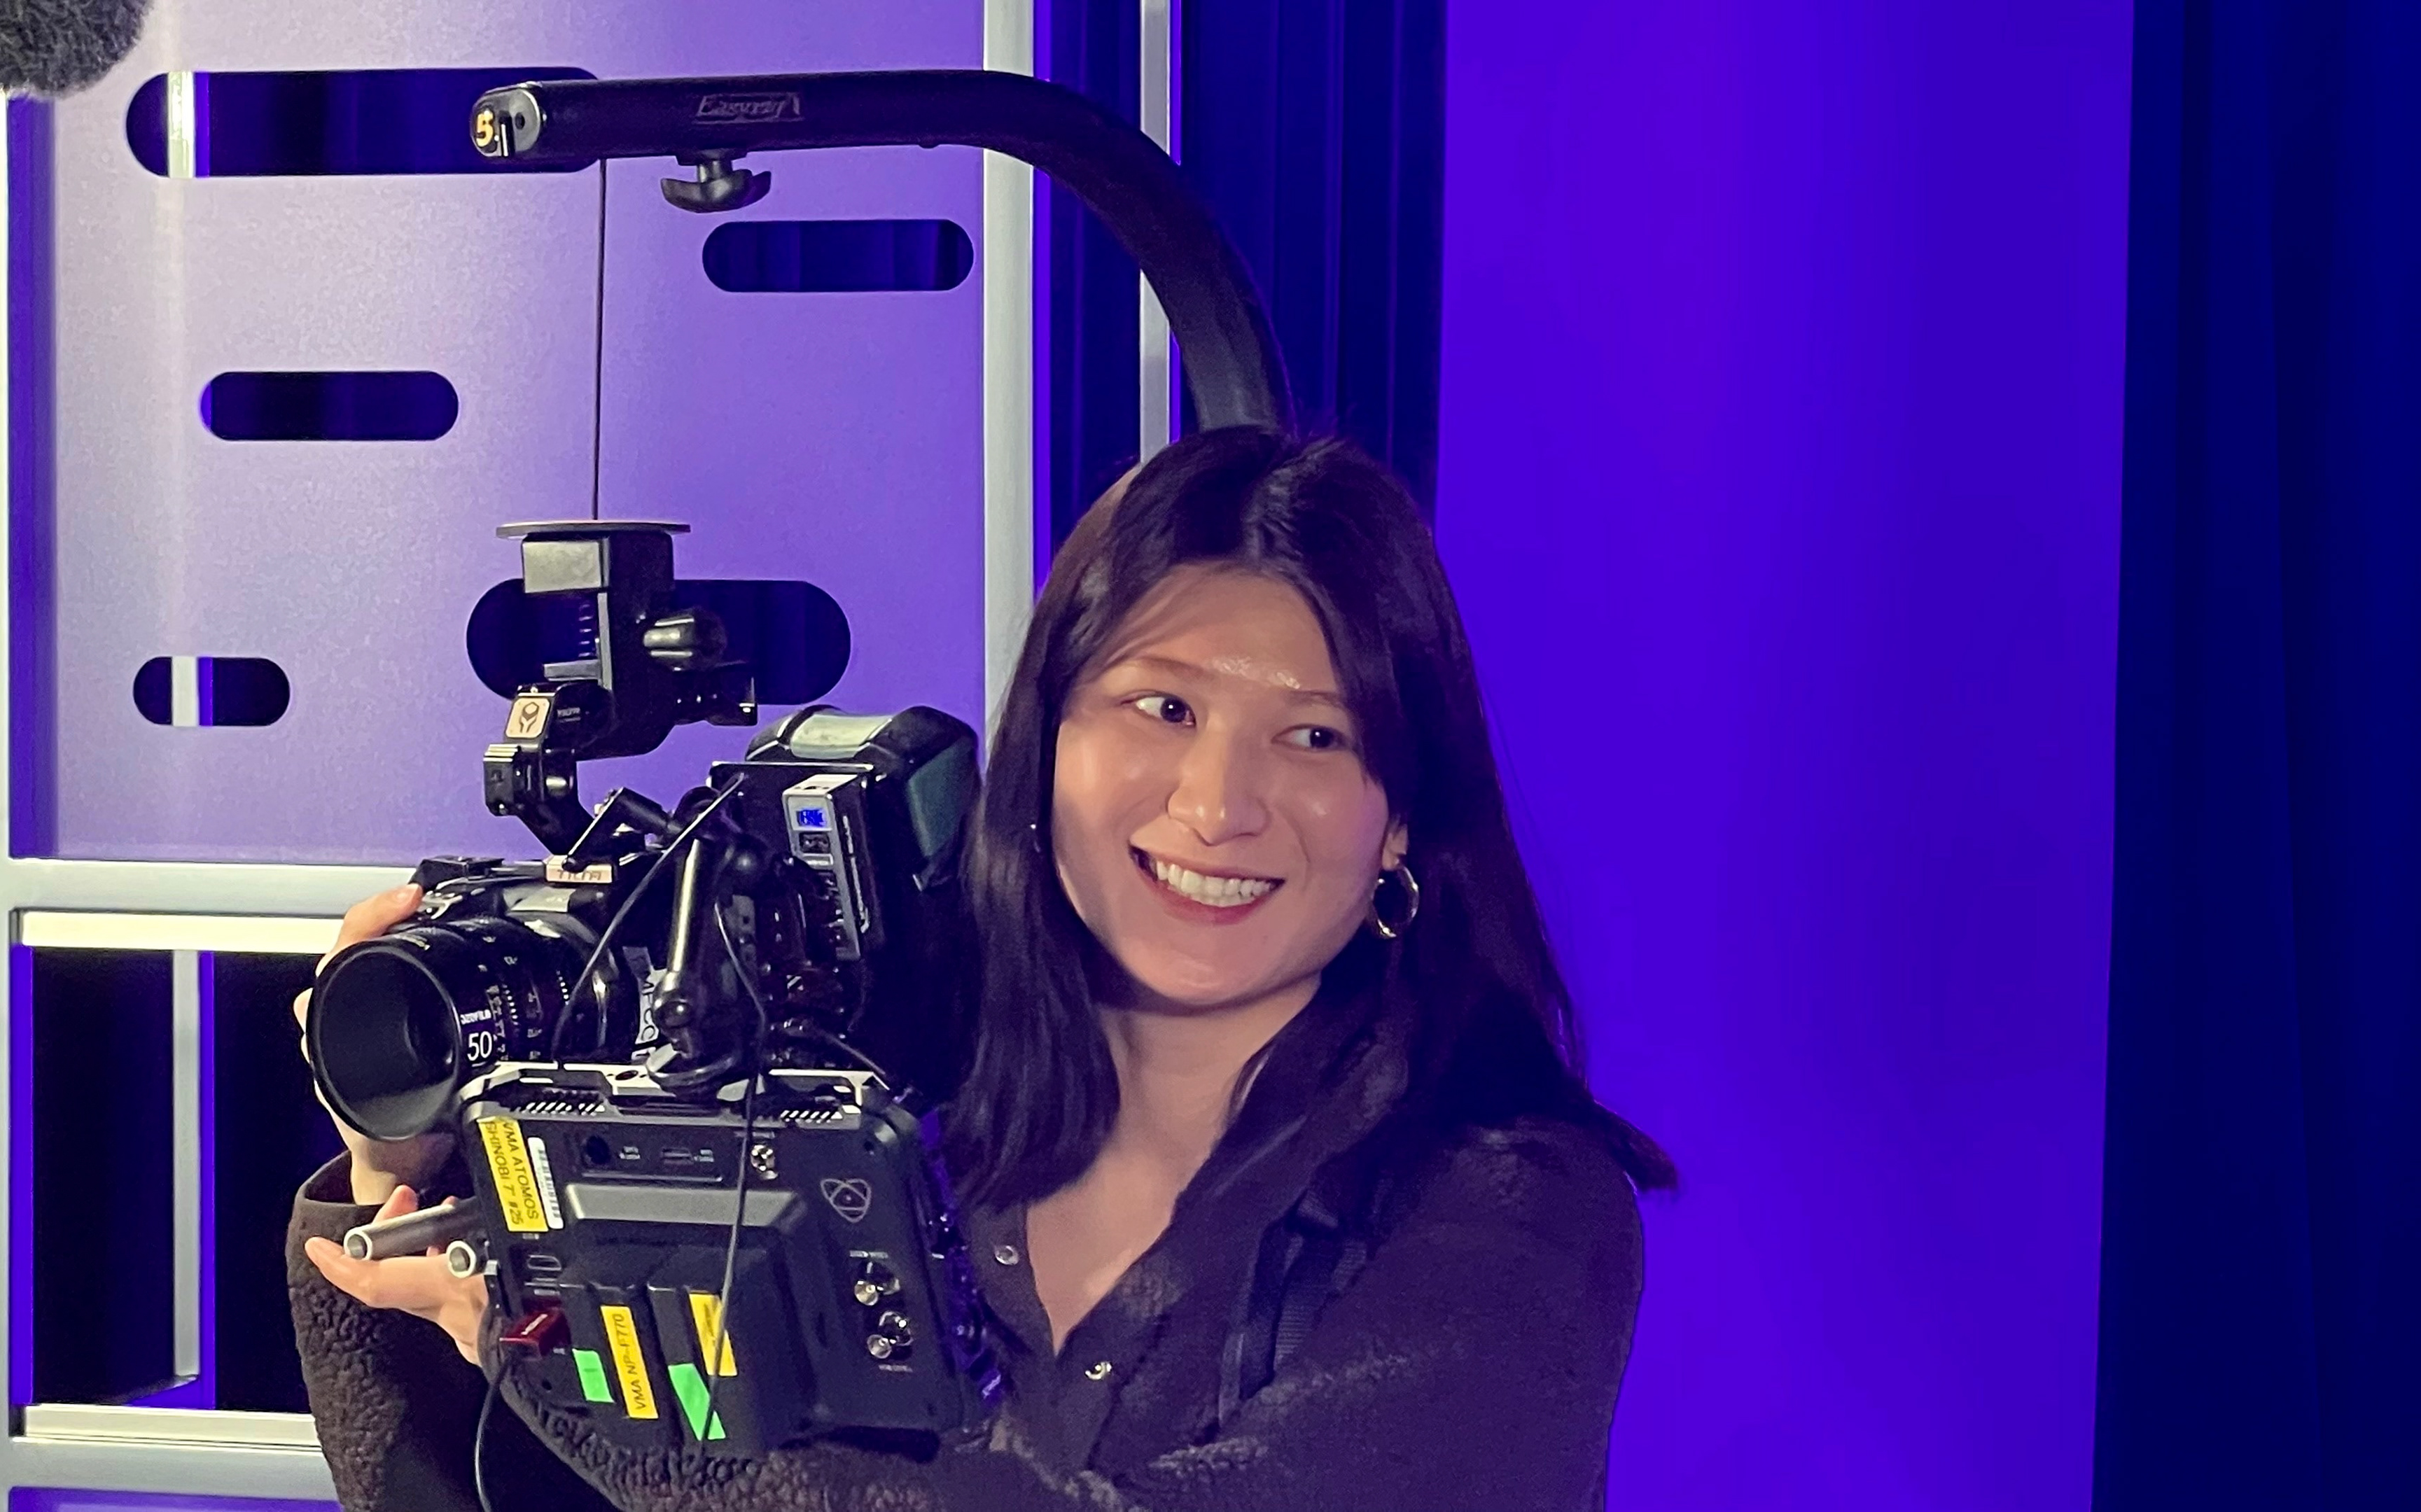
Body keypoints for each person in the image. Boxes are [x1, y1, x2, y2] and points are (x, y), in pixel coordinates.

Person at [286, 427, 1675, 1511]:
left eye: (1314, 738)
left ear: (1403, 820)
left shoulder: (1513, 1215)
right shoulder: (885, 1117)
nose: (1216, 805)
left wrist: (619, 1412)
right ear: (1045, 746)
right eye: (1162, 707)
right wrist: (410, 1181)